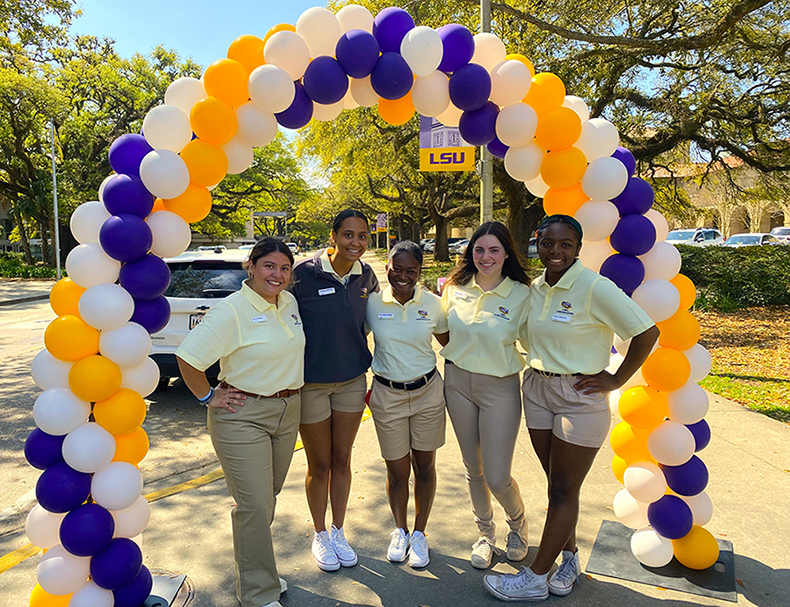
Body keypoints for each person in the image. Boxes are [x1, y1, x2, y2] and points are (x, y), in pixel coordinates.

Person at [484, 215, 659, 601]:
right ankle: (569, 558)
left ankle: (535, 576)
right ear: (538, 244)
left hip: (579, 396)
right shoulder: (535, 289)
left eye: (565, 245)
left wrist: (616, 379)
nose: (556, 251)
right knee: (560, 487)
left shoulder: (596, 287)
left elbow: (647, 331)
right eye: (548, 243)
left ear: (578, 248)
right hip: (538, 389)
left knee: (563, 488)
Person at [175, 238, 304, 607]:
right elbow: (188, 359)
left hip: (286, 410)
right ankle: (257, 593)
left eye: (284, 268)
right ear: (251, 266)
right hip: (242, 416)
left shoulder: (289, 302)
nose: (277, 275)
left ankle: (259, 572)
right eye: (269, 266)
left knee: (267, 498)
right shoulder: (231, 310)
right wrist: (208, 396)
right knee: (254, 505)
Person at [290, 209, 379, 572]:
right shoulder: (303, 274)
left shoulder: (367, 276)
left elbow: (373, 323)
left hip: (352, 382)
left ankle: (339, 530)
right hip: (311, 384)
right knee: (320, 463)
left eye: (362, 236)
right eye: (348, 235)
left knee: (343, 460)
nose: (355, 243)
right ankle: (320, 533)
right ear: (333, 236)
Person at [441, 221, 532, 570]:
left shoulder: (522, 294)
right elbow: (443, 331)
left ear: (507, 253)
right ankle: (485, 534)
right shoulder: (455, 286)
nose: (485, 257)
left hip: (500, 388)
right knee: (472, 469)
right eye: (479, 250)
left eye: (494, 250)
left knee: (497, 475)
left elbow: (535, 341)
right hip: (458, 384)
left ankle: (517, 524)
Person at [365, 241, 449, 568]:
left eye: (410, 271)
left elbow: (450, 344)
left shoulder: (434, 304)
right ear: (386, 267)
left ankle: (420, 533)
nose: (402, 276)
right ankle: (399, 529)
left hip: (428, 393)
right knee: (397, 471)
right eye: (396, 269)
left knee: (425, 468)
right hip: (387, 395)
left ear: (419, 271)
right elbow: (352, 336)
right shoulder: (372, 303)